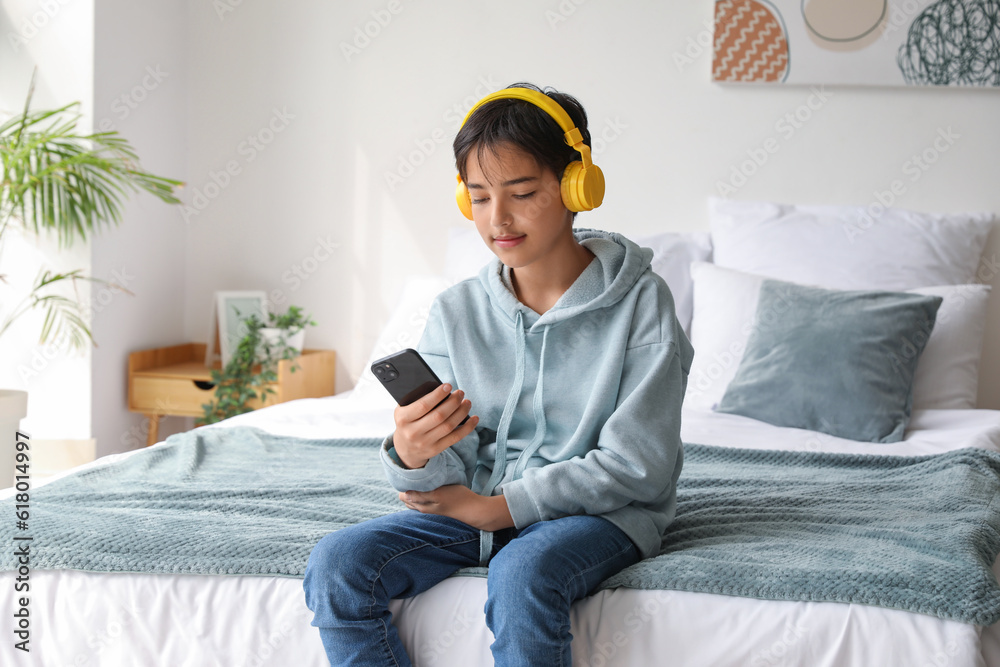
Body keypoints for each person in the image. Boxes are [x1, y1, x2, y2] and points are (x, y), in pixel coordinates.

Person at [303, 82, 694, 666]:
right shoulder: (455, 311)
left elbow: (640, 463)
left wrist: (504, 509)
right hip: (474, 509)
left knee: (524, 571)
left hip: (599, 515)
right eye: (480, 197)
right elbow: (445, 471)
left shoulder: (643, 302)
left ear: (575, 186)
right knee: (339, 564)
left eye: (522, 192)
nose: (498, 219)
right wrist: (411, 453)